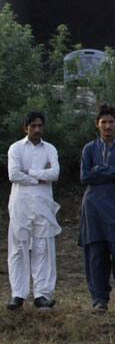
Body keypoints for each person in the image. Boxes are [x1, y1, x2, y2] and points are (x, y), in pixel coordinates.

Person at [79, 103, 115, 313]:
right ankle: (99, 300)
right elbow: (85, 176)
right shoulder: (89, 148)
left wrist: (100, 170)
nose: (107, 126)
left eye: (111, 122)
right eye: (103, 122)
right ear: (97, 124)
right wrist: (110, 171)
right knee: (96, 255)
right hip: (93, 209)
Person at [6, 111, 60, 311]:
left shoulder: (50, 149)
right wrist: (39, 178)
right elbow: (13, 174)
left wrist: (28, 172)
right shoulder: (16, 148)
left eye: (40, 126)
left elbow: (54, 173)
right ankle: (18, 294)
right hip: (20, 204)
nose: (37, 129)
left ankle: (42, 294)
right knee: (18, 248)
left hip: (43, 205)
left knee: (43, 248)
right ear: (25, 128)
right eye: (33, 126)